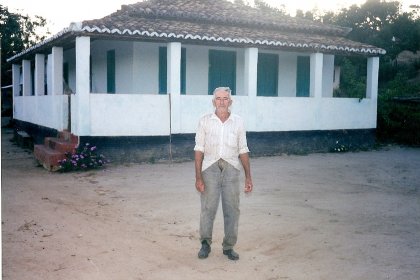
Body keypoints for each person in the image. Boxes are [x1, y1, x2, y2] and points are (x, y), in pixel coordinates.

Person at [194, 87, 253, 261]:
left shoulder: (238, 122)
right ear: (213, 102)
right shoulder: (204, 121)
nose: (221, 101)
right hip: (209, 167)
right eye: (218, 98)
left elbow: (243, 149)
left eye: (225, 98)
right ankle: (205, 243)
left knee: (232, 209)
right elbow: (199, 149)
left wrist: (248, 176)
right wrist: (198, 177)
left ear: (230, 102)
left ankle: (228, 246)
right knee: (208, 208)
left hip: (232, 168)